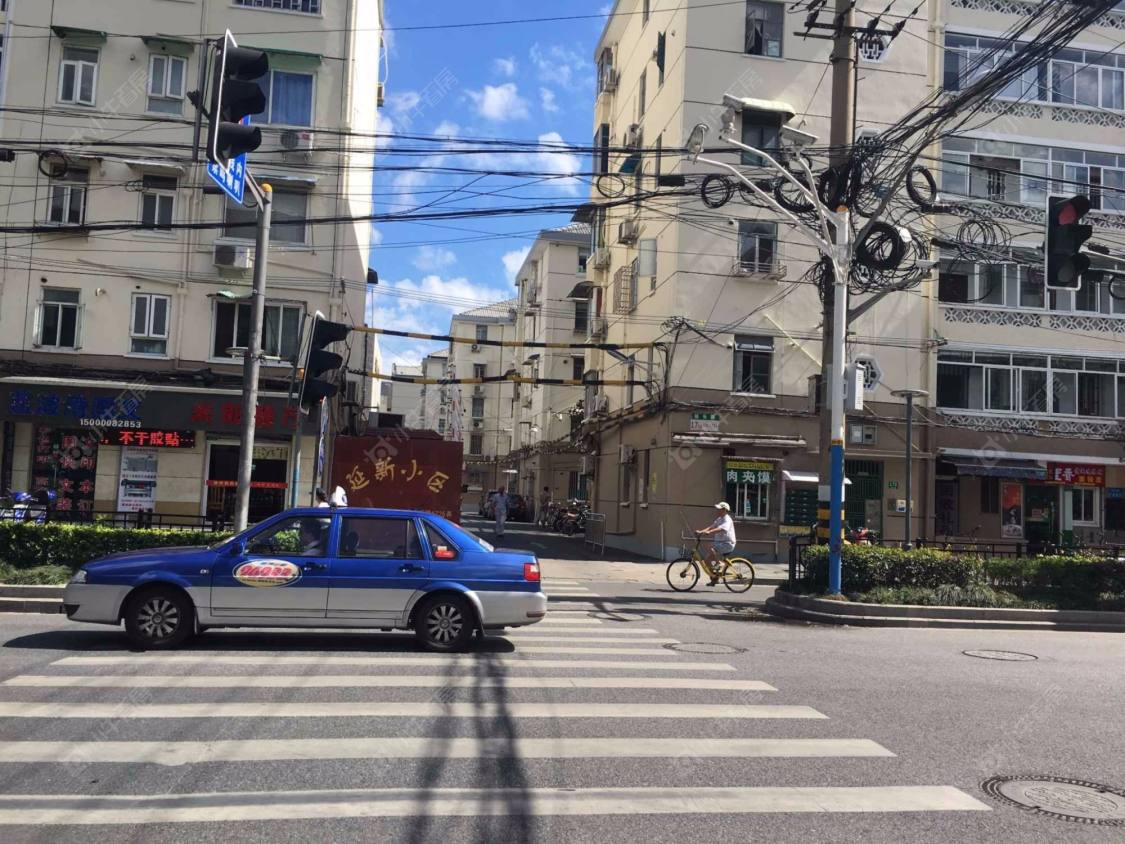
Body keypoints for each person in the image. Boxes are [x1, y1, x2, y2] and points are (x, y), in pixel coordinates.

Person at [697, 501, 737, 586]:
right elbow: (711, 527)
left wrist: (710, 532)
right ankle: (714, 579)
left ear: (724, 510)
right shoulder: (719, 519)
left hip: (728, 544)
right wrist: (701, 532)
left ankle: (718, 563)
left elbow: (722, 529)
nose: (717, 510)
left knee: (709, 546)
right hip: (721, 543)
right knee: (706, 561)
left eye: (719, 509)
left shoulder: (727, 519)